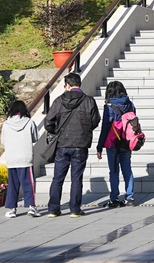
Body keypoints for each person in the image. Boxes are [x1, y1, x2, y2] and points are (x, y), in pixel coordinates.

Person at [44, 72, 100, 217]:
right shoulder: (89, 101)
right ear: (79, 84)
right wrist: (84, 130)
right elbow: (95, 121)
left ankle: (53, 209)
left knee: (58, 178)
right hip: (81, 144)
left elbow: (48, 122)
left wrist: (55, 131)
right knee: (76, 178)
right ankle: (75, 209)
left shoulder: (58, 101)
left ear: (67, 85)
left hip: (62, 144)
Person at [96, 80, 136, 208]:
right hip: (126, 141)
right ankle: (130, 197)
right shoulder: (130, 104)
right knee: (127, 169)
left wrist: (99, 146)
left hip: (112, 142)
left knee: (113, 171)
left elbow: (105, 127)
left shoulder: (109, 107)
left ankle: (114, 198)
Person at [1, 100, 39, 218]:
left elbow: (3, 141)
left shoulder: (6, 124)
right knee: (28, 184)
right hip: (25, 158)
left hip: (12, 158)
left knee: (12, 185)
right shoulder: (29, 122)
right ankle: (31, 207)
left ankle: (12, 209)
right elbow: (35, 138)